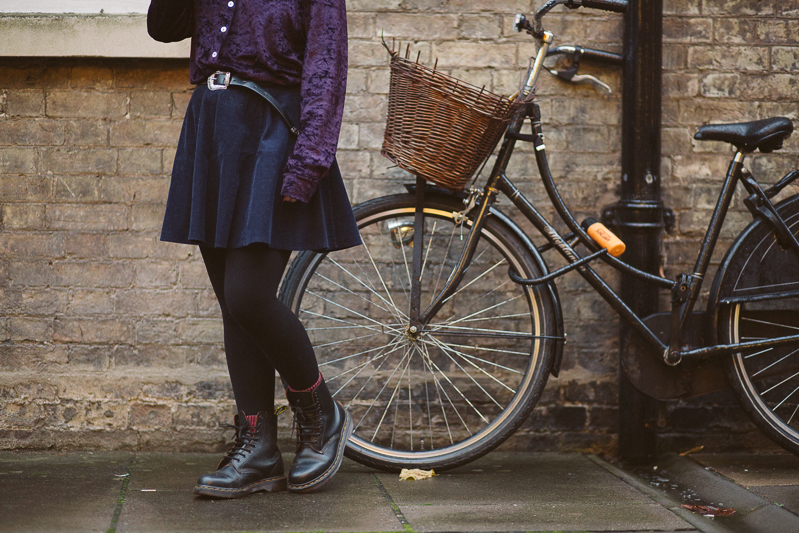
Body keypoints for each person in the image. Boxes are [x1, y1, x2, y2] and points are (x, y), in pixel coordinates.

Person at [146, 0, 361, 497]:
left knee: (248, 296)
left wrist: (309, 161)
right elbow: (163, 27)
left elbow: (327, 70)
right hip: (213, 128)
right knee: (232, 305)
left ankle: (321, 414)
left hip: (271, 131)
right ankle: (259, 448)